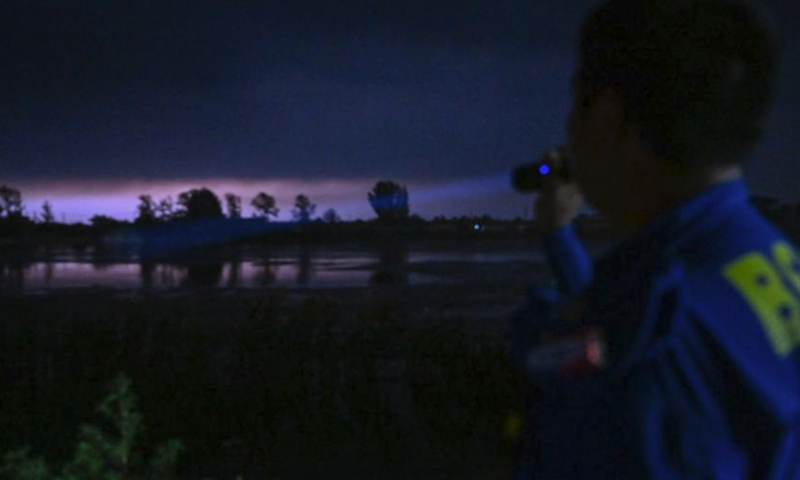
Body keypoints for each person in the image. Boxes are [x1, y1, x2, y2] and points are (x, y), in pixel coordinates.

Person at [510, 0, 797, 478]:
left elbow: (644, 332)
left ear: (606, 114)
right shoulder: (768, 257)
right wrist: (559, 233)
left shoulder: (653, 354)